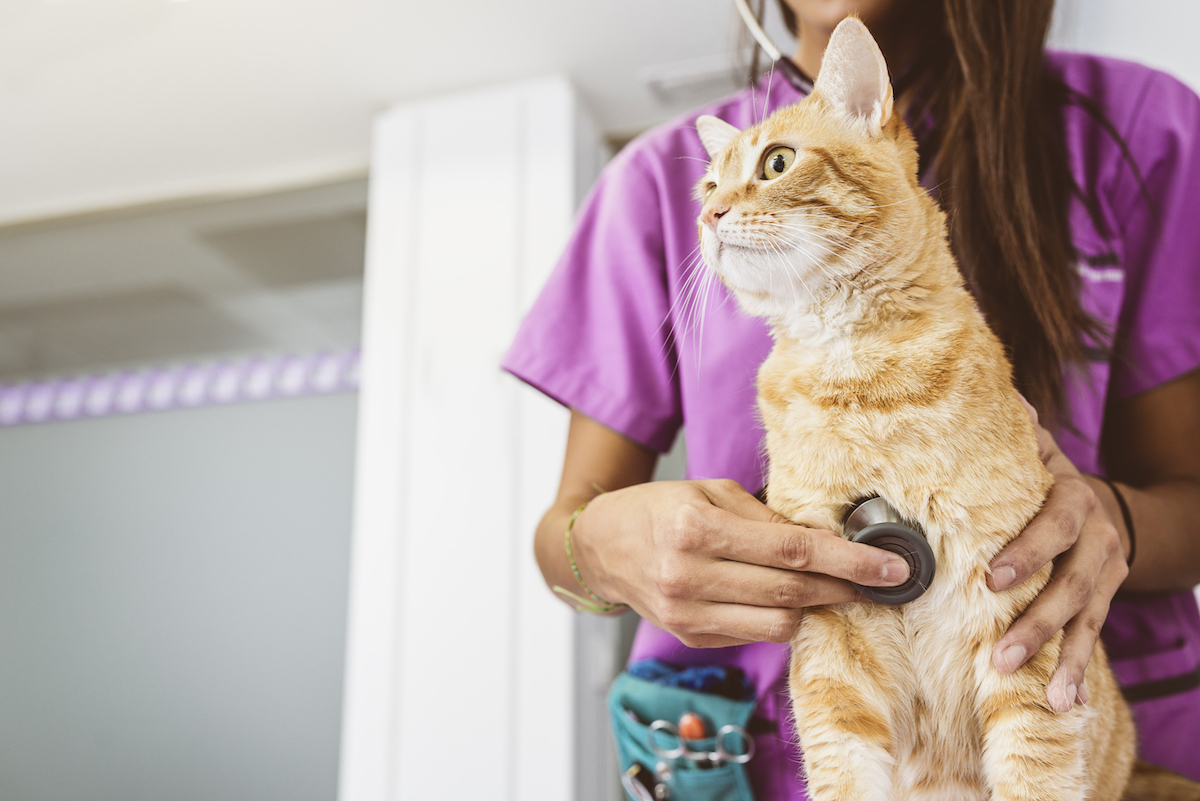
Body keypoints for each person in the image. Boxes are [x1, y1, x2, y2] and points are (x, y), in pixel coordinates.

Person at [503, 0, 1200, 796]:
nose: (727, 199)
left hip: (1060, 731)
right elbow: (562, 534)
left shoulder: (1138, 128)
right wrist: (600, 549)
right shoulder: (662, 183)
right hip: (768, 750)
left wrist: (1111, 520)